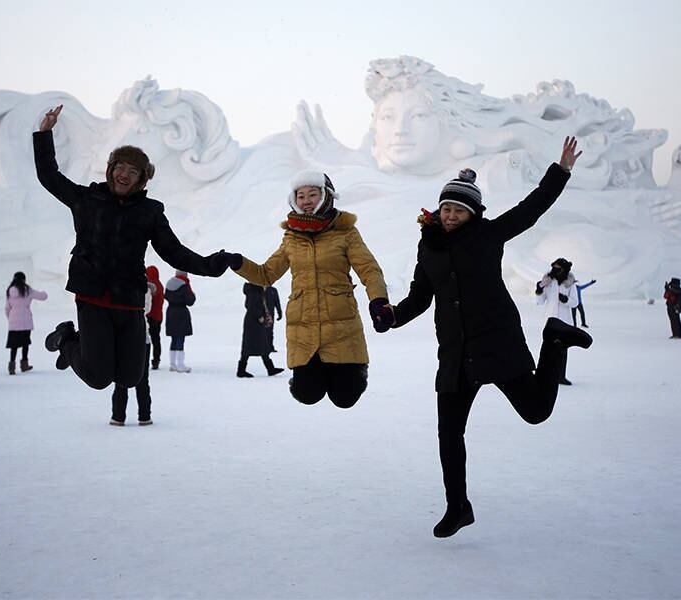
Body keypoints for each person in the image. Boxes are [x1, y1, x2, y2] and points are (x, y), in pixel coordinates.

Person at [371, 138, 593, 538]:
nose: (451, 215)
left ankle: (555, 339)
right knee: (449, 434)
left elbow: (532, 209)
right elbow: (421, 297)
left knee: (536, 410)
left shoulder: (489, 234)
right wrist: (392, 316)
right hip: (456, 353)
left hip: (496, 341)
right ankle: (458, 507)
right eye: (446, 208)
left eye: (459, 209)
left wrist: (560, 171)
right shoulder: (429, 248)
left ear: (472, 213)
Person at [34, 105, 239, 391]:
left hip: (129, 298)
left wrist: (209, 265)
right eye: (120, 167)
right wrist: (44, 134)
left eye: (133, 171)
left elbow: (173, 251)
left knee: (131, 377)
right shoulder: (86, 200)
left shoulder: (150, 212)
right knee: (98, 378)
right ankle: (67, 339)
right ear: (110, 169)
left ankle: (82, 347)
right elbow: (49, 176)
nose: (124, 174)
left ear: (142, 180)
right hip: (92, 296)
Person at [231, 170, 388, 406]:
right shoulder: (291, 237)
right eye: (301, 195)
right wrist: (236, 262)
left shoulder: (345, 231)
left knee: (345, 397)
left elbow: (369, 269)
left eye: (312, 194)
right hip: (304, 328)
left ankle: (356, 371)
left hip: (341, 325)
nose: (306, 201)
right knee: (307, 394)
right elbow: (266, 274)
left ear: (326, 196)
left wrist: (378, 300)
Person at [110, 283, 155, 426]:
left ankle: (120, 416)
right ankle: (143, 416)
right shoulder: (143, 287)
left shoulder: (120, 286)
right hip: (138, 335)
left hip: (129, 335)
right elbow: (146, 308)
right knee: (139, 378)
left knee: (123, 378)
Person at [536, 258, 579, 385]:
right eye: (553, 267)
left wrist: (566, 299)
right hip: (550, 320)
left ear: (564, 269)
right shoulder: (548, 282)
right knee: (547, 349)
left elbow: (575, 302)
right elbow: (540, 301)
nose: (555, 270)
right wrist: (539, 289)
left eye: (558, 268)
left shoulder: (570, 284)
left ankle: (561, 376)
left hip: (564, 321)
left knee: (562, 350)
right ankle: (544, 376)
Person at [237, 283, 285, 378]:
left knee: (262, 345)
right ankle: (241, 371)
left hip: (255, 322)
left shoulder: (257, 291)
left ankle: (270, 368)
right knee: (250, 346)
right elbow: (250, 306)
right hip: (253, 322)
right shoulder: (254, 292)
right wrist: (259, 316)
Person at [4, 271, 48, 375]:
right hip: (25, 320)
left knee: (13, 345)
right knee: (25, 343)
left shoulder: (10, 291)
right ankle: (24, 365)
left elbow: (7, 308)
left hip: (13, 321)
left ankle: (11, 366)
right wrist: (45, 291)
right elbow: (43, 296)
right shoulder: (27, 289)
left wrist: (10, 319)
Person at [165, 270, 195, 372]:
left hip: (171, 312)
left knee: (174, 338)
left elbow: (166, 296)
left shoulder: (169, 283)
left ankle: (172, 364)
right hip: (181, 313)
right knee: (180, 338)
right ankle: (180, 364)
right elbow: (190, 301)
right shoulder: (185, 285)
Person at [145, 265, 164, 369]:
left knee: (146, 339)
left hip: (149, 316)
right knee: (156, 339)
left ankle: (145, 359)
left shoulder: (149, 286)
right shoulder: (160, 285)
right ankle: (156, 360)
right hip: (158, 316)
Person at [264, 285, 283, 352]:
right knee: (261, 331)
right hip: (261, 314)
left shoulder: (273, 290)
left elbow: (277, 302)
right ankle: (261, 347)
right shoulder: (259, 290)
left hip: (270, 315)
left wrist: (279, 313)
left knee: (269, 331)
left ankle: (270, 347)